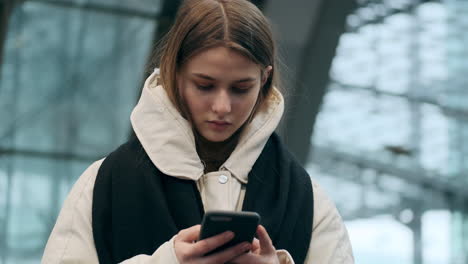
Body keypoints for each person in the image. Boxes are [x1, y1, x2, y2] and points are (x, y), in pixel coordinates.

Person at [42, 0, 354, 263]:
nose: (222, 106)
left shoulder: (306, 198)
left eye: (241, 88)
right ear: (174, 74)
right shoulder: (103, 182)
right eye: (205, 85)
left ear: (264, 80)